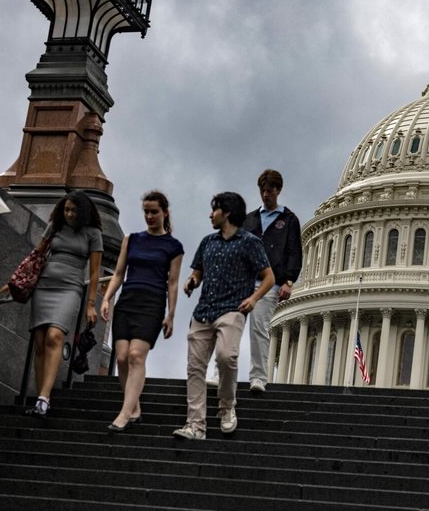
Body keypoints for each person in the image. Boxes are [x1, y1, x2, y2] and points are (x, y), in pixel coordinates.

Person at [173, 192, 273, 440]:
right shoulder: (208, 242)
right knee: (195, 368)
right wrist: (192, 281)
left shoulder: (250, 242)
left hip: (232, 309)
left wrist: (254, 298)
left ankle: (227, 406)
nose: (210, 214)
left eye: (214, 209)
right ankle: (195, 425)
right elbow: (198, 271)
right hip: (203, 311)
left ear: (227, 212)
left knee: (226, 356)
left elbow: (269, 277)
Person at [205, 169, 302, 393]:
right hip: (242, 282)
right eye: (262, 190)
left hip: (269, 284)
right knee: (229, 328)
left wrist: (288, 280)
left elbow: (294, 251)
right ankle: (219, 373)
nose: (265, 195)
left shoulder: (289, 220)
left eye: (269, 191)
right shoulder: (249, 219)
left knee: (259, 330)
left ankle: (258, 377)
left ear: (278, 190)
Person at [100, 191, 183, 432]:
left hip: (152, 303)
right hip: (127, 300)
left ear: (164, 213)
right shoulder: (131, 239)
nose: (149, 216)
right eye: (146, 211)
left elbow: (173, 282)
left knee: (136, 355)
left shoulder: (173, 246)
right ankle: (134, 406)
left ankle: (124, 414)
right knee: (122, 357)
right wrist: (106, 299)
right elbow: (118, 274)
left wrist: (171, 314)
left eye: (154, 212)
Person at [25, 190, 103, 418]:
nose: (69, 214)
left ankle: (44, 399)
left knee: (55, 336)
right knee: (39, 342)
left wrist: (90, 304)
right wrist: (17, 281)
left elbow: (96, 272)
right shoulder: (55, 225)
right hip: (44, 284)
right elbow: (36, 255)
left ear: (83, 212)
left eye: (74, 211)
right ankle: (41, 395)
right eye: (66, 209)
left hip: (70, 287)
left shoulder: (93, 233)